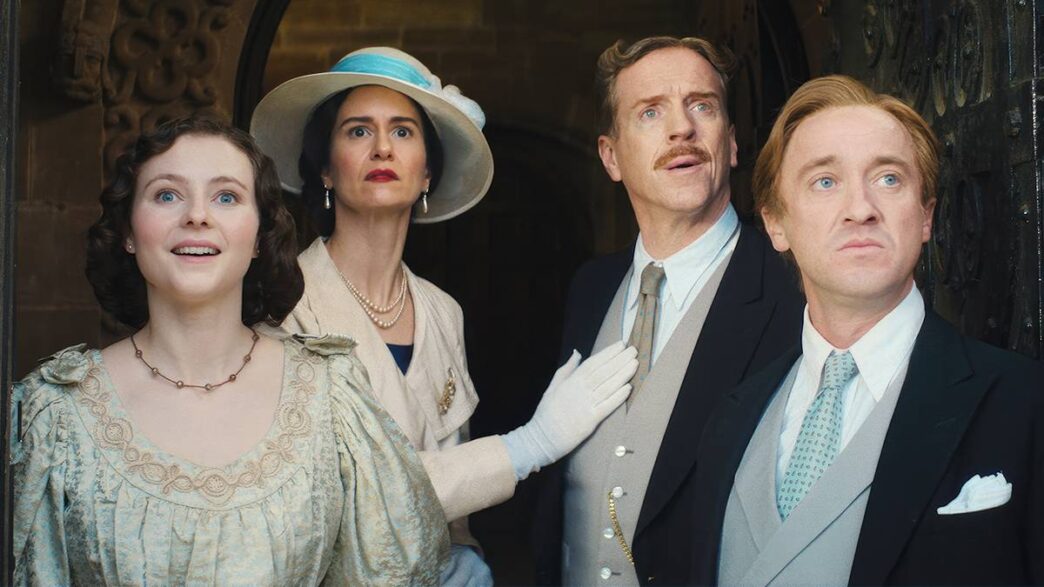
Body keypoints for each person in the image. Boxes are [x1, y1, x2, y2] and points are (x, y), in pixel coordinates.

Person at [250, 47, 638, 585]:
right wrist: (528, 445)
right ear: (325, 168)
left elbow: (453, 517)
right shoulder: (284, 305)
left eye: (403, 131)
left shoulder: (442, 311)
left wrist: (464, 559)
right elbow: (342, 499)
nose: (382, 147)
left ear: (427, 173)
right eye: (358, 131)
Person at [11, 117, 450, 585]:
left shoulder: (333, 396)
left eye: (226, 197)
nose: (197, 216)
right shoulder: (57, 414)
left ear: (260, 236)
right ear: (129, 232)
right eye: (166, 195)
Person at [688, 75, 1044, 585]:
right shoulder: (729, 420)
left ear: (926, 216)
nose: (861, 209)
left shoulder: (1025, 403)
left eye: (889, 179)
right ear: (776, 224)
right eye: (825, 182)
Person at [532, 36, 804, 586]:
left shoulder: (792, 291)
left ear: (731, 143)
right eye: (651, 112)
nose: (682, 128)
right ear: (611, 157)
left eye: (702, 105)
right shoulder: (590, 287)